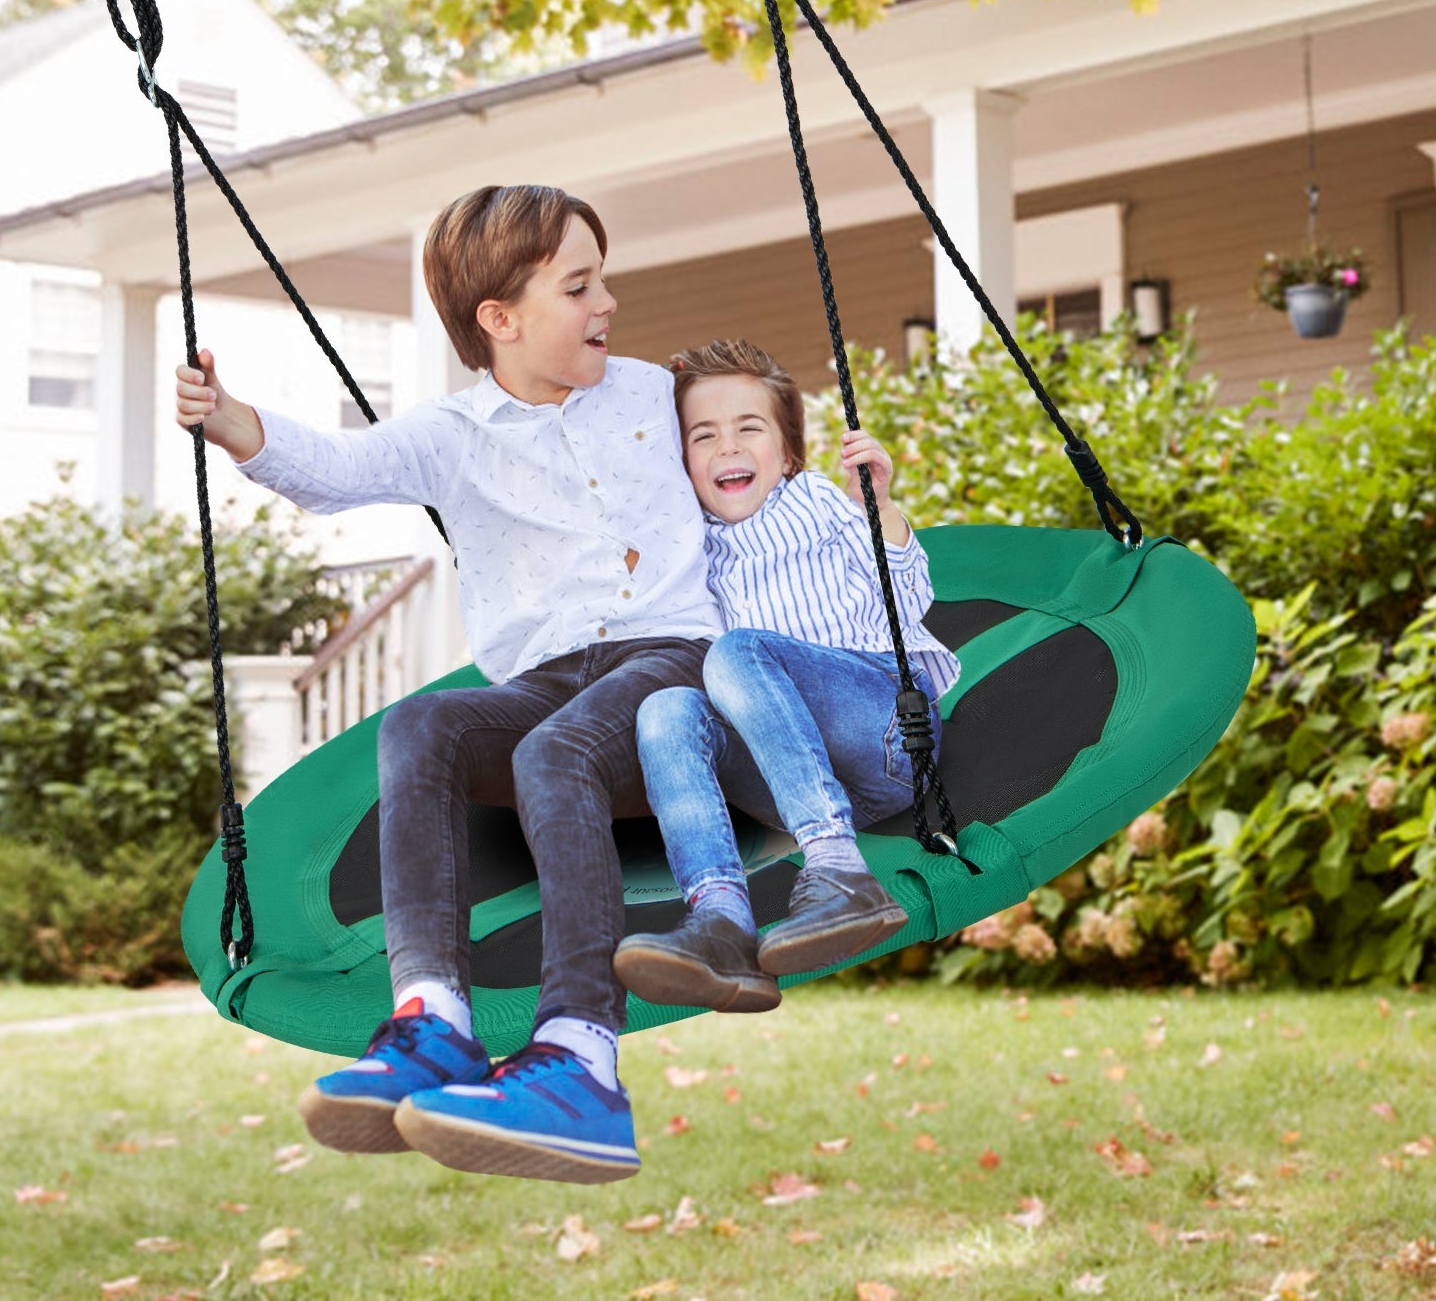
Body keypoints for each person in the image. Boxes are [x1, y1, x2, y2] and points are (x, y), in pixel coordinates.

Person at [174, 185, 723, 1185]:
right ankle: (435, 1021)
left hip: (674, 670)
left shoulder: (662, 396)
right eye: (580, 285)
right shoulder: (453, 435)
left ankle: (582, 1063)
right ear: (500, 320)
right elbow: (333, 469)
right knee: (425, 725)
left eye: (603, 280)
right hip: (551, 685)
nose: (607, 303)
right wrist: (232, 419)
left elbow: (760, 476)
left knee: (551, 748)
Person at [613, 339, 961, 1015]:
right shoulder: (686, 551)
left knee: (738, 653)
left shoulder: (818, 502)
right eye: (703, 436)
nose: (727, 449)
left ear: (788, 453)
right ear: (679, 464)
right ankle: (719, 923)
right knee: (666, 709)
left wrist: (880, 507)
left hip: (881, 730)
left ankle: (838, 872)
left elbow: (909, 595)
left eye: (750, 429)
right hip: (781, 778)